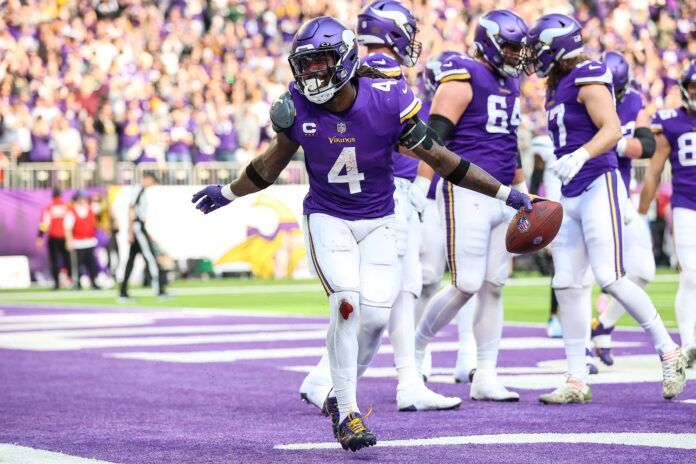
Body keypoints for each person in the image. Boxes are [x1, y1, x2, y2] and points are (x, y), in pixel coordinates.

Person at [192, 16, 531, 452]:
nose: (313, 73)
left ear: (346, 61)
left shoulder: (388, 99)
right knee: (346, 302)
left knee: (374, 318)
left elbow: (444, 159)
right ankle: (347, 411)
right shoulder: (296, 107)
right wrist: (228, 192)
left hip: (379, 218)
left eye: (322, 62)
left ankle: (332, 391)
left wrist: (506, 193)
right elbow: (269, 166)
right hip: (328, 216)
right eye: (306, 64)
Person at [299, 0, 461, 414]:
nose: (411, 41)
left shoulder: (363, 68)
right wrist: (422, 190)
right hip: (391, 190)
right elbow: (422, 142)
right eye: (406, 31)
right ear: (394, 33)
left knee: (393, 293)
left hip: (385, 190)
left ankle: (335, 378)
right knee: (394, 292)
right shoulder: (382, 70)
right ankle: (404, 380)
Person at [525, 14, 686, 404]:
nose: (534, 57)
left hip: (599, 182)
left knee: (611, 276)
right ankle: (577, 378)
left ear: (559, 48)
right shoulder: (555, 84)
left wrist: (580, 155)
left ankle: (669, 350)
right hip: (570, 189)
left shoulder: (587, 74)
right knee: (565, 282)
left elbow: (612, 128)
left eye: (540, 49)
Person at [414, 9, 529, 402]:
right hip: (467, 191)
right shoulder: (463, 75)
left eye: (519, 49)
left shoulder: (510, 86)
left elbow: (508, 146)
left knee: (494, 287)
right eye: (511, 47)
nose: (517, 55)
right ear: (490, 43)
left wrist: (523, 189)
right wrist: (422, 184)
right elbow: (432, 141)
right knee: (466, 283)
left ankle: (486, 374)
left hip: (504, 195)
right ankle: (414, 351)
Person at [590, 51, 658, 366]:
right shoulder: (582, 92)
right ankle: (579, 353)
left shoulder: (631, 100)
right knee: (578, 275)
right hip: (587, 191)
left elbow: (646, 145)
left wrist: (615, 141)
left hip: (620, 195)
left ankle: (602, 325)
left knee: (642, 268)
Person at [637, 61, 696, 367]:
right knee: (691, 274)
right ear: (685, 89)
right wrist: (640, 215)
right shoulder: (671, 122)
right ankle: (689, 344)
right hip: (687, 205)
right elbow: (654, 172)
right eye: (694, 86)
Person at [119, 172, 168, 300]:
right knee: (150, 257)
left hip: (138, 227)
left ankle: (123, 292)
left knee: (131, 260)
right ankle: (159, 290)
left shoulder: (140, 191)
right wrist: (130, 230)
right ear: (147, 179)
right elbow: (131, 209)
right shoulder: (138, 189)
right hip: (137, 227)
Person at [37, 186, 72, 290]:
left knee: (54, 260)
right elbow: (70, 222)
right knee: (67, 259)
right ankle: (70, 280)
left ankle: (57, 283)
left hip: (53, 237)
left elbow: (44, 223)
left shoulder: (49, 207)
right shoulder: (66, 206)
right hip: (65, 236)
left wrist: (40, 237)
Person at [64, 190, 101, 290]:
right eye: (81, 198)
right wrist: (69, 241)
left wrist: (96, 198)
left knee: (92, 264)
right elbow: (68, 228)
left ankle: (94, 281)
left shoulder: (89, 208)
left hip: (89, 241)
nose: (83, 200)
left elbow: (99, 208)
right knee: (77, 265)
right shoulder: (71, 211)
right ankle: (76, 282)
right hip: (78, 243)